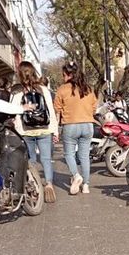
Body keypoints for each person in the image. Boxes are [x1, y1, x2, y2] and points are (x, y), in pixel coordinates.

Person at [11, 61, 59, 203]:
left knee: (31, 160)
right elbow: (50, 110)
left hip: (25, 131)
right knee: (46, 159)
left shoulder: (17, 91)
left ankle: (34, 185)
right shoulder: (43, 89)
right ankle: (49, 184)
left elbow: (13, 111)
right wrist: (55, 131)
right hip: (44, 129)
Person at [53, 61, 97, 195]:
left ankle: (76, 175)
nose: (62, 78)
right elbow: (94, 108)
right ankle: (86, 186)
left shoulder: (62, 89)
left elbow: (57, 111)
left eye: (63, 75)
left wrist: (56, 130)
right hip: (88, 125)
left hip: (70, 125)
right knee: (84, 156)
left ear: (67, 74)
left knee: (69, 154)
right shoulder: (88, 89)